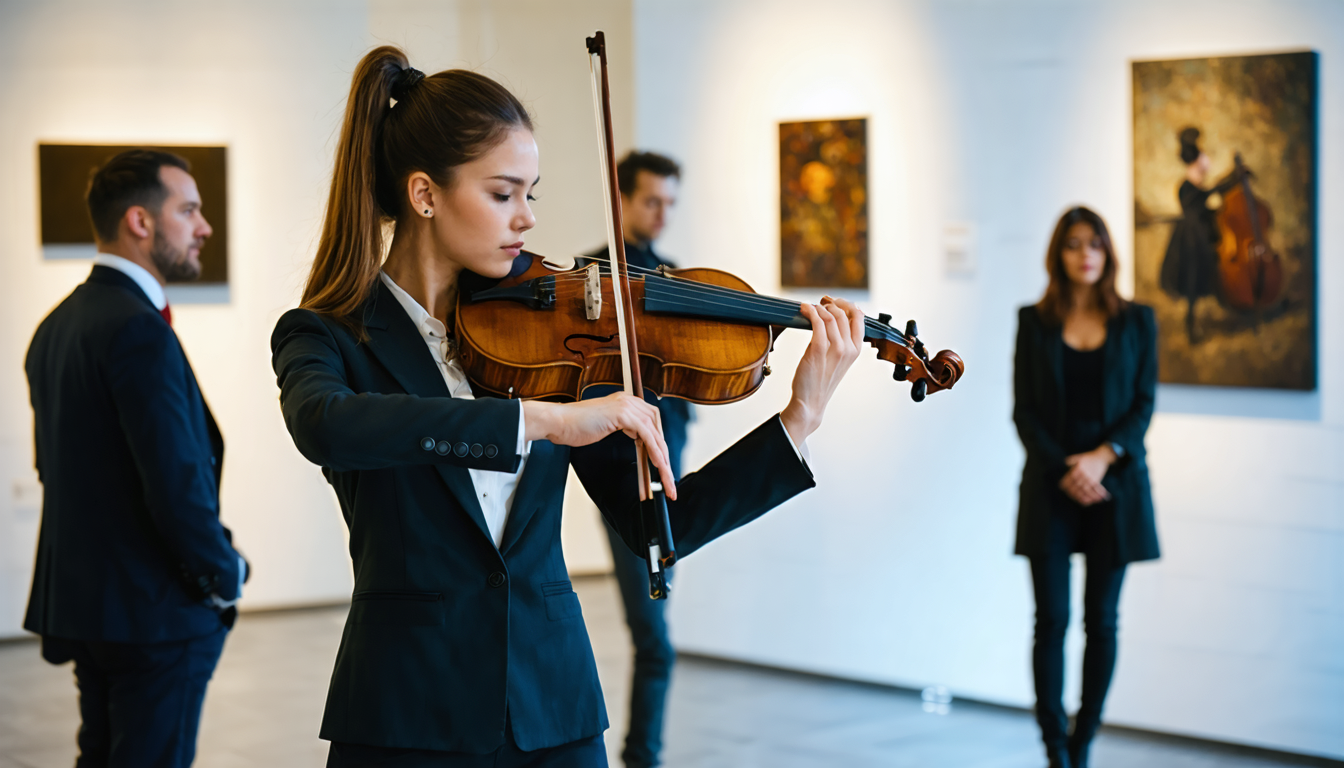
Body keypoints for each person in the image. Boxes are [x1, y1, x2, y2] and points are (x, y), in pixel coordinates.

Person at [270, 46, 864, 767]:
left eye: (532, 194)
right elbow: (325, 426)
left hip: (554, 710)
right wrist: (540, 421)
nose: (525, 219)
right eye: (502, 193)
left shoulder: (552, 339)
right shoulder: (328, 335)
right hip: (407, 711)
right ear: (425, 194)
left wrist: (799, 418)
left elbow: (659, 531)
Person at [24, 149, 247, 768]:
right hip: (154, 614)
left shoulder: (56, 326)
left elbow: (58, 470)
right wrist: (224, 573)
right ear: (140, 222)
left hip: (88, 605)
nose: (204, 227)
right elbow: (176, 485)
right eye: (189, 210)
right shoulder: (139, 330)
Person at [1013, 207, 1160, 768]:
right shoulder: (1033, 321)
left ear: (1108, 252)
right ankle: (1054, 749)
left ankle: (1084, 743)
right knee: (1050, 622)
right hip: (1052, 487)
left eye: (1095, 243)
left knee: (1103, 621)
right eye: (1074, 244)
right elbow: (1025, 413)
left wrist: (1100, 459)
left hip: (1114, 487)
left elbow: (1143, 405)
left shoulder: (1138, 321)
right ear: (1060, 255)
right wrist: (1067, 470)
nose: (1086, 254)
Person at [579, 150, 687, 768]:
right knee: (656, 641)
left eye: (671, 202)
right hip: (628, 482)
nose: (662, 214)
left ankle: (642, 755)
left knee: (655, 639)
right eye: (652, 201)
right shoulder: (594, 279)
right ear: (621, 199)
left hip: (671, 480)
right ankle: (641, 757)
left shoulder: (674, 277)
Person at [1158, 127, 1244, 342]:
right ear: (1194, 162)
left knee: (1213, 274)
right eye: (1202, 160)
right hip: (1191, 240)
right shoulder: (1186, 188)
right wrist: (1231, 180)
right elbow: (1203, 198)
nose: (1206, 164)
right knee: (1193, 279)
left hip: (1203, 234)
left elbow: (1207, 199)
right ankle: (1190, 324)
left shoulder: (1194, 187)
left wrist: (1232, 180)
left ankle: (1232, 304)